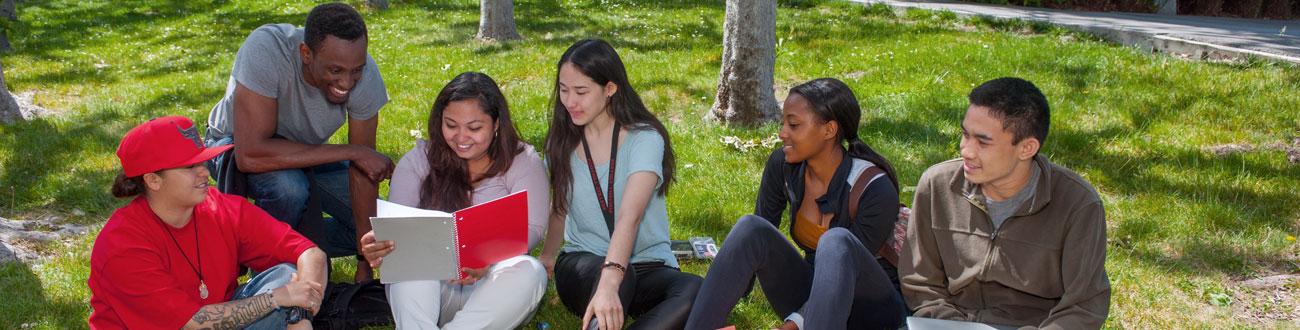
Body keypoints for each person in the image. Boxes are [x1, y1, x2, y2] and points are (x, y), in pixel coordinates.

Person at [685, 78, 907, 330]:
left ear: (829, 130)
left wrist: (791, 325)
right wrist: (727, 293)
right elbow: (753, 243)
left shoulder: (874, 188)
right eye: (784, 123)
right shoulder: (783, 166)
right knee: (751, 228)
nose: (782, 133)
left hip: (873, 311)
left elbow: (847, 274)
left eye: (794, 125)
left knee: (836, 242)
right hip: (814, 295)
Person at [900, 77, 1110, 329]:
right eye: (965, 135)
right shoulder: (937, 185)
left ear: (1026, 148)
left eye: (982, 142)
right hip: (950, 323)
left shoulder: (1078, 204)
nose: (966, 150)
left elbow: (1084, 305)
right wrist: (951, 324)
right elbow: (920, 281)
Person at [204, 2, 392, 281]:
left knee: (377, 224)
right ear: (306, 53)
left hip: (307, 154)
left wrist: (365, 260)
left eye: (356, 70)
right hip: (231, 146)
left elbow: (364, 169)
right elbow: (250, 154)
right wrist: (353, 151)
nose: (348, 81)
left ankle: (273, 243)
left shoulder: (364, 74)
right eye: (336, 70)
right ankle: (269, 279)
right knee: (289, 188)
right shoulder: (268, 49)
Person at [89, 116, 328, 330]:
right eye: (190, 166)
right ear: (153, 180)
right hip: (183, 324)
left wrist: (301, 317)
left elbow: (310, 253)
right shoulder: (121, 244)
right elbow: (192, 322)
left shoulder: (220, 208)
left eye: (203, 162)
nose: (204, 172)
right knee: (281, 296)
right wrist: (276, 298)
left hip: (215, 319)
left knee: (287, 274)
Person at [357, 72, 549, 329]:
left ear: (496, 124)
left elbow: (534, 228)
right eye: (451, 125)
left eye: (474, 128)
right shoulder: (417, 161)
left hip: (493, 291)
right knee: (411, 259)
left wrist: (487, 259)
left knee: (530, 271)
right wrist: (379, 244)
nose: (461, 138)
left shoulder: (522, 159)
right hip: (429, 292)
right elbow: (397, 228)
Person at [537, 38, 702, 330]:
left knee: (697, 291)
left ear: (610, 89)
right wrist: (548, 257)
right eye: (563, 90)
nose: (569, 102)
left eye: (581, 92)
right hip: (583, 264)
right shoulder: (560, 140)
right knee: (614, 280)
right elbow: (559, 206)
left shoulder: (645, 139)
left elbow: (630, 216)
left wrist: (613, 277)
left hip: (647, 265)